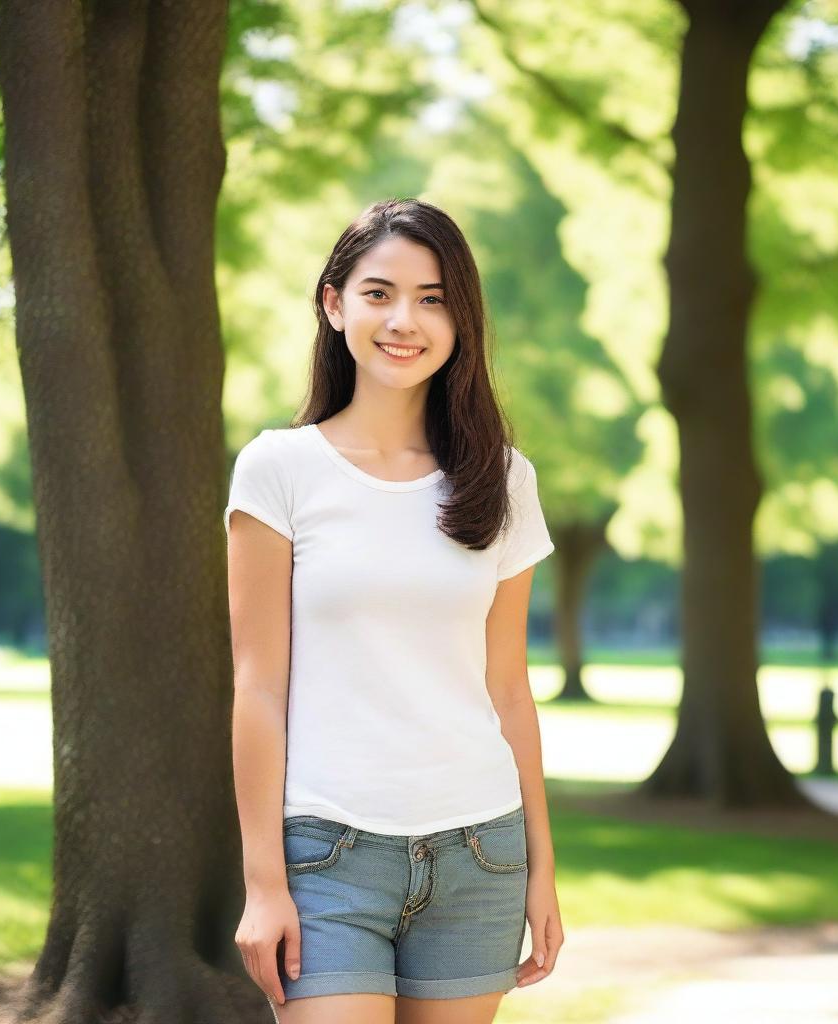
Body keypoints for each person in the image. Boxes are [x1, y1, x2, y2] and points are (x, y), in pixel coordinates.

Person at [224, 198, 564, 1024]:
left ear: (461, 320)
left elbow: (509, 690)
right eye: (379, 293)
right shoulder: (280, 470)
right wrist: (264, 883)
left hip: (481, 849)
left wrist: (542, 871)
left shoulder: (502, 478)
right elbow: (258, 687)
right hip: (328, 853)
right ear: (334, 305)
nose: (404, 319)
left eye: (433, 297)